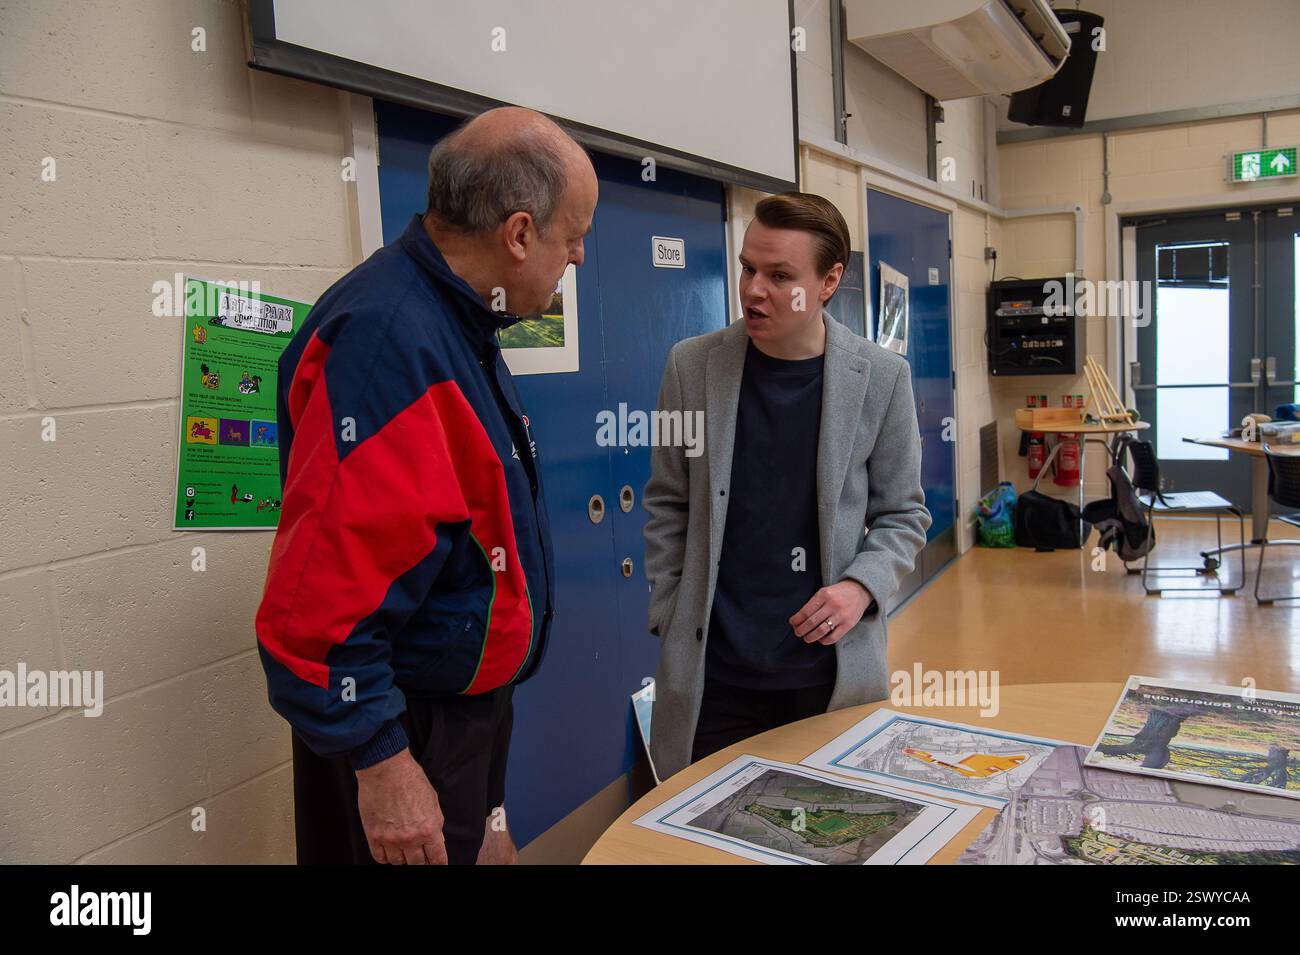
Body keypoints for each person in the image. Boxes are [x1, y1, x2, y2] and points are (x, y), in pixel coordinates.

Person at [255, 107, 597, 864]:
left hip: (459, 723)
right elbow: (314, 617)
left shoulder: (462, 325)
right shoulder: (389, 342)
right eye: (574, 239)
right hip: (401, 736)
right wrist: (384, 768)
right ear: (518, 234)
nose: (578, 260)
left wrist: (493, 808)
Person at [642, 192, 930, 781]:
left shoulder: (881, 379)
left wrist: (860, 588)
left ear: (829, 281)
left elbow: (904, 515)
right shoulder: (689, 368)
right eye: (748, 268)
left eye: (780, 276)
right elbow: (667, 500)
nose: (753, 289)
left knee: (829, 831)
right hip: (714, 677)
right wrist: (670, 610)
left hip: (827, 676)